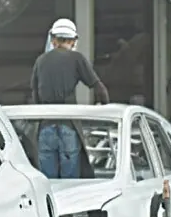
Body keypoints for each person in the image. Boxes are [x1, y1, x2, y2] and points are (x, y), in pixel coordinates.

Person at [29, 18, 110, 179]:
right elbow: (99, 88)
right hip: (68, 127)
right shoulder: (76, 59)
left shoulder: (40, 61)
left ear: (53, 39)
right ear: (73, 41)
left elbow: (34, 95)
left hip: (45, 128)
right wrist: (104, 110)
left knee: (48, 182)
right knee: (70, 183)